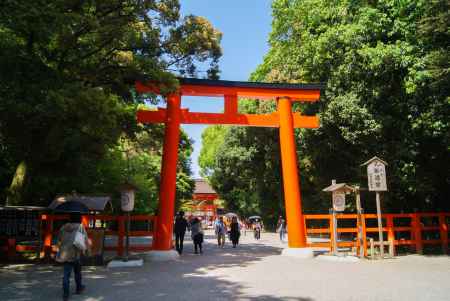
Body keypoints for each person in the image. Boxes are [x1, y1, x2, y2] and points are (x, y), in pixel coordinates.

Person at [56, 212, 89, 301]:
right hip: (76, 253)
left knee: (66, 274)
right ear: (79, 218)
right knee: (77, 272)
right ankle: (79, 288)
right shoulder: (80, 227)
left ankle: (65, 294)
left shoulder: (63, 227)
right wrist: (86, 251)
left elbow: (59, 239)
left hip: (65, 254)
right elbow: (85, 240)